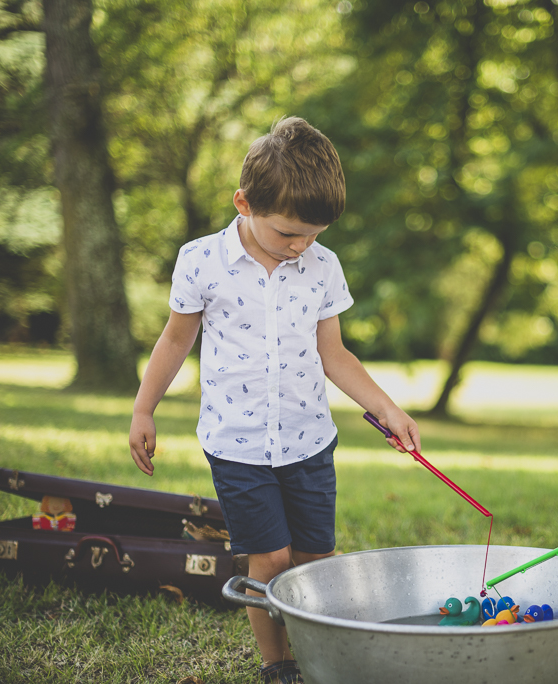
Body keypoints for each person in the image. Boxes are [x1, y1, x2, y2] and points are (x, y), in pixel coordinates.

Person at [129, 117, 421, 684]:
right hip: (236, 443)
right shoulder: (200, 261)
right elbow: (175, 338)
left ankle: (321, 653)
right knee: (270, 558)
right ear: (244, 203)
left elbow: (334, 353)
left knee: (315, 560)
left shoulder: (322, 267)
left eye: (313, 233)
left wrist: (388, 407)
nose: (301, 244)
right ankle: (277, 663)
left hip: (309, 439)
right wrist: (145, 408)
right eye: (289, 232)